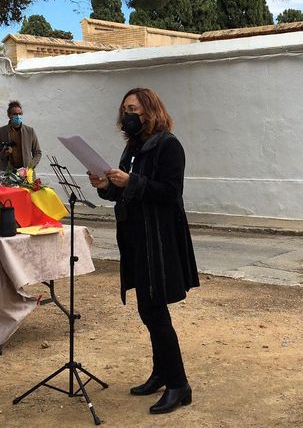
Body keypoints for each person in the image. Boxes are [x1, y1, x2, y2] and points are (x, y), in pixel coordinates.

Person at [89, 88, 199, 415]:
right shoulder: (132, 147)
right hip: (136, 239)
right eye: (125, 109)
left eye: (133, 108)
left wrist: (130, 181)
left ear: (149, 110)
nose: (128, 115)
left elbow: (169, 192)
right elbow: (125, 195)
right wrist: (107, 187)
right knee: (147, 310)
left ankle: (180, 385)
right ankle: (162, 372)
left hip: (159, 240)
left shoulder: (169, 145)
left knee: (156, 312)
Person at [0, 100, 42, 171]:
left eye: (20, 114)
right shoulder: (0, 132)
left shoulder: (30, 131)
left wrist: (30, 166)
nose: (18, 116)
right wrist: (3, 154)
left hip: (26, 174)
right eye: (15, 114)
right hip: (7, 173)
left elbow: (38, 153)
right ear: (9, 115)